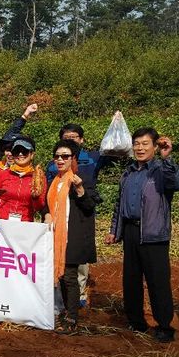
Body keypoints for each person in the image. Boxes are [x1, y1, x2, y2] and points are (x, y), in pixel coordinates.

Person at [105, 128, 179, 343]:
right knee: (131, 279)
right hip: (131, 231)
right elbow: (119, 204)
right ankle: (136, 321)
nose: (140, 148)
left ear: (155, 146)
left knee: (158, 281)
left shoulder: (160, 169)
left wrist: (168, 158)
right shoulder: (129, 172)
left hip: (153, 233)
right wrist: (115, 230)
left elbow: (176, 183)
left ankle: (164, 325)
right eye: (137, 144)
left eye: (145, 144)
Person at [46, 122, 122, 307]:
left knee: (77, 260)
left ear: (82, 139)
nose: (70, 140)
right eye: (66, 138)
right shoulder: (54, 164)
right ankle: (61, 299)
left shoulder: (94, 157)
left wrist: (116, 127)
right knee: (60, 258)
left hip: (81, 213)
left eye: (74, 137)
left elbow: (118, 154)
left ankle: (78, 296)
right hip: (58, 217)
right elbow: (48, 193)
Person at [45, 140, 101, 333]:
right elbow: (48, 206)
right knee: (61, 278)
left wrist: (80, 190)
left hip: (73, 236)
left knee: (69, 276)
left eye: (65, 156)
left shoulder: (80, 178)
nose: (60, 160)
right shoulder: (54, 181)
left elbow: (89, 207)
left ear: (73, 159)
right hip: (56, 236)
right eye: (57, 156)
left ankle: (72, 317)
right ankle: (66, 311)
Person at [0, 135, 46, 222]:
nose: (20, 154)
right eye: (17, 151)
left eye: (24, 151)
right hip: (1, 221)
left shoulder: (38, 177)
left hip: (25, 223)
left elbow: (39, 207)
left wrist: (35, 198)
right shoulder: (3, 174)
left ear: (32, 155)